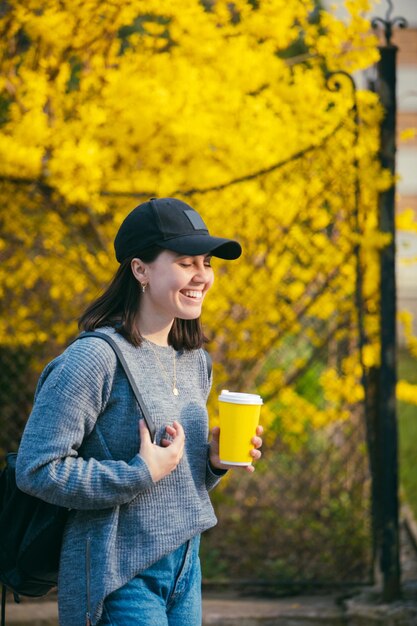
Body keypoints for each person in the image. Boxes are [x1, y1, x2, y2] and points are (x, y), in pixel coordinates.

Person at [15, 197, 263, 626]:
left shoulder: (193, 361)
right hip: (117, 574)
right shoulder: (94, 358)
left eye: (206, 263)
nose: (202, 276)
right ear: (140, 269)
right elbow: (37, 468)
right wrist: (137, 472)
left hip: (186, 568)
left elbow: (171, 481)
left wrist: (211, 461)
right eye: (186, 262)